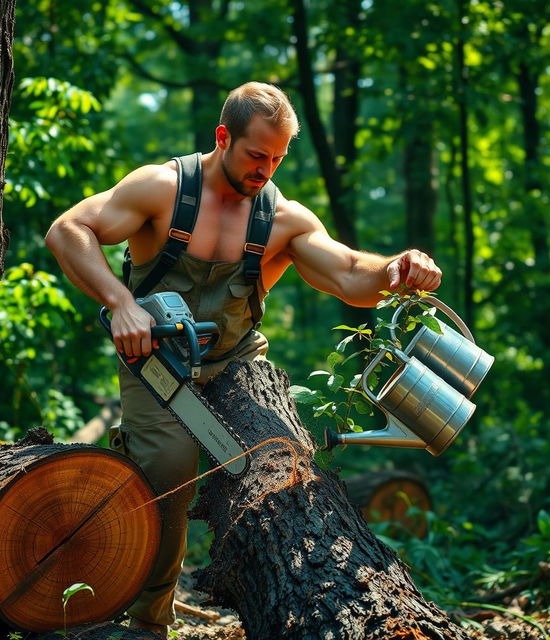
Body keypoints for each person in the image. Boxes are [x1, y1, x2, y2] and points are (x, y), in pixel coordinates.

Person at [45, 81, 442, 637]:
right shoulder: (161, 188)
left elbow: (352, 273)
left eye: (278, 158)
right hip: (156, 364)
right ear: (223, 136)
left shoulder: (284, 218)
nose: (267, 170)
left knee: (280, 462)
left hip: (237, 362)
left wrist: (397, 270)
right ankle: (146, 623)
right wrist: (121, 303)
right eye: (257, 155)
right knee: (170, 468)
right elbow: (68, 230)